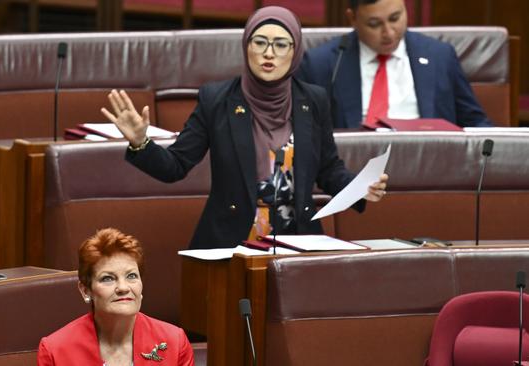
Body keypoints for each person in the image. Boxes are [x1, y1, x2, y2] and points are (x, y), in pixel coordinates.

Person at [101, 6, 388, 250]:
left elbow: (327, 168)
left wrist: (360, 186)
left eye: (280, 44)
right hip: (232, 243)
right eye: (259, 42)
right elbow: (175, 165)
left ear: (295, 51)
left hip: (299, 242)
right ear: (246, 46)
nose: (269, 53)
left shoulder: (312, 100)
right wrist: (141, 143)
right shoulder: (218, 100)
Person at [296, 0, 493, 129]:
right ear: (353, 19)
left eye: (395, 18)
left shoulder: (440, 56)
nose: (389, 33)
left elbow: (475, 123)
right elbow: (302, 131)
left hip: (427, 169)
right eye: (374, 24)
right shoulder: (322, 64)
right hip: (353, 172)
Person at [37, 228, 194, 365]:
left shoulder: (174, 342)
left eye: (131, 276)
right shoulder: (55, 351)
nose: (123, 288)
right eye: (108, 278)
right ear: (85, 290)